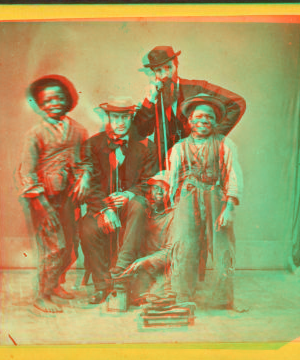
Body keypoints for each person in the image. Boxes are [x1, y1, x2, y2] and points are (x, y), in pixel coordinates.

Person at [19, 75, 90, 314]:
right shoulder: (35, 134)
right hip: (43, 199)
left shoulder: (78, 131)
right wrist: (40, 202)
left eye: (59, 98)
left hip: (68, 197)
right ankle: (42, 295)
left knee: (69, 245)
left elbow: (83, 161)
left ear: (68, 99)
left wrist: (84, 177)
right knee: (53, 246)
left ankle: (57, 285)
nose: (54, 103)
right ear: (40, 105)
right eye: (47, 100)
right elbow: (27, 171)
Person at [166, 93, 243, 308]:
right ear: (189, 121)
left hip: (215, 196)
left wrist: (228, 208)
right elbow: (173, 181)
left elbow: (232, 176)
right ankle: (182, 295)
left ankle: (222, 298)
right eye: (198, 117)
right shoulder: (179, 148)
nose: (204, 121)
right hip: (188, 198)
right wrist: (175, 206)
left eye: (209, 117)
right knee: (185, 244)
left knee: (222, 246)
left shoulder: (225, 144)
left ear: (215, 121)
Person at [79, 97, 158, 304]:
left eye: (125, 117)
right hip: (101, 206)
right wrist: (105, 209)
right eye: (116, 117)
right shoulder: (92, 145)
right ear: (109, 118)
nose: (120, 122)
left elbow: (150, 180)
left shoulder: (146, 146)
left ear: (131, 118)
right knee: (87, 227)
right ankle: (102, 286)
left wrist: (129, 194)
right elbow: (90, 187)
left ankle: (121, 272)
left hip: (130, 205)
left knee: (139, 206)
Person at [134, 46, 246, 170]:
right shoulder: (153, 98)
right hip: (165, 170)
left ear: (176, 65)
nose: (165, 75)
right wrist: (149, 100)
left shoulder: (197, 88)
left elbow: (237, 103)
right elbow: (139, 134)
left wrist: (211, 138)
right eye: (159, 70)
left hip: (198, 166)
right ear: (154, 72)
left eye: (168, 68)